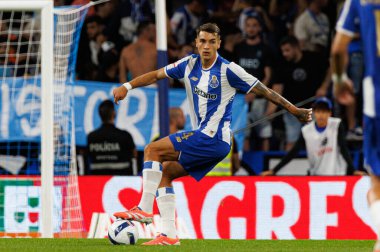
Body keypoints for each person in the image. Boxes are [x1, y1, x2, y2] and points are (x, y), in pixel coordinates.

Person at [112, 23, 312, 246]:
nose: (206, 46)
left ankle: (144, 209)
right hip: (207, 139)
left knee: (152, 149)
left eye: (211, 41)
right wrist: (127, 86)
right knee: (165, 173)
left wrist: (294, 110)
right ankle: (168, 234)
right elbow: (156, 75)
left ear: (219, 43)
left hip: (214, 138)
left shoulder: (229, 70)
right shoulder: (188, 64)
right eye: (202, 41)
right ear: (196, 43)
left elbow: (265, 91)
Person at [332, 1, 380, 251]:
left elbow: (339, 50)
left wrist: (339, 80)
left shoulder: (358, 1)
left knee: (376, 181)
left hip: (377, 98)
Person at [261, 97, 358, 176]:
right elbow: (293, 152)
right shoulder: (306, 131)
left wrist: (353, 170)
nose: (321, 115)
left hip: (337, 174)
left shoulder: (336, 125)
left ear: (330, 113)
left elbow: (343, 149)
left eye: (324, 111)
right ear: (314, 113)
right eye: (319, 111)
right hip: (316, 175)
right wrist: (274, 170)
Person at [271, 36, 330, 150]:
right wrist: (270, 110)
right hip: (292, 110)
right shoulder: (282, 64)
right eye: (283, 51)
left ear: (297, 48)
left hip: (313, 108)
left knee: (317, 140)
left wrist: (324, 87)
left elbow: (330, 68)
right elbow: (277, 89)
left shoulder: (313, 58)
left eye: (287, 50)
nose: (284, 54)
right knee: (291, 142)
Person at [233, 16, 274, 151]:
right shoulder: (238, 48)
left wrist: (255, 92)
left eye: (254, 25)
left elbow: (268, 76)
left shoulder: (265, 49)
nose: (251, 28)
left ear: (260, 28)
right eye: (248, 25)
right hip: (241, 98)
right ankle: (246, 166)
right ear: (244, 28)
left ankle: (265, 164)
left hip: (259, 99)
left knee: (264, 132)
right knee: (244, 133)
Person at [87, 100, 137, 175]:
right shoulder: (125, 136)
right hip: (122, 181)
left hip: (97, 182)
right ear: (114, 113)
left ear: (100, 114)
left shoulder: (91, 137)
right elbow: (134, 154)